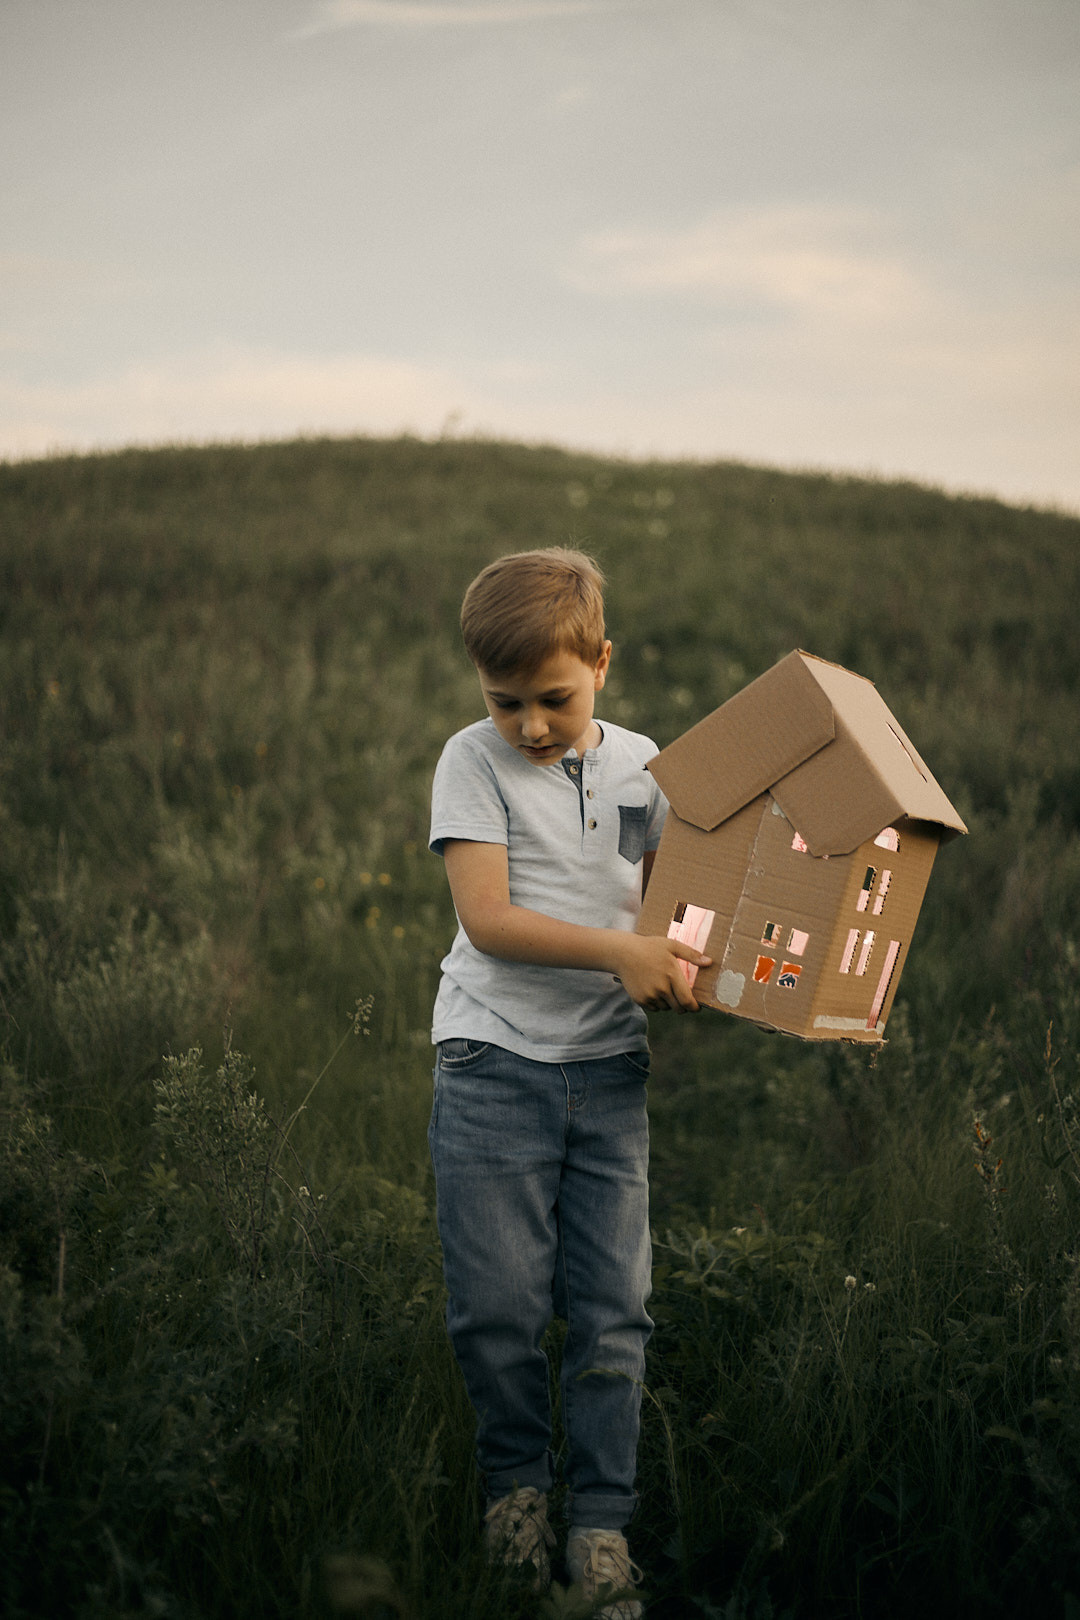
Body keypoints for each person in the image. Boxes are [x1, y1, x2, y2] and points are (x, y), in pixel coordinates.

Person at [427, 547, 710, 1617]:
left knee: (611, 1308)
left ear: (603, 662)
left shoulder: (648, 768)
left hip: (607, 1076)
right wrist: (621, 957)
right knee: (497, 1304)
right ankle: (514, 1498)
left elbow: (669, 904)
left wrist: (713, 972)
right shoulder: (473, 762)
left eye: (555, 697)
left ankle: (599, 1525)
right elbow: (487, 920)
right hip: (492, 1062)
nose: (531, 725)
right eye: (507, 702)